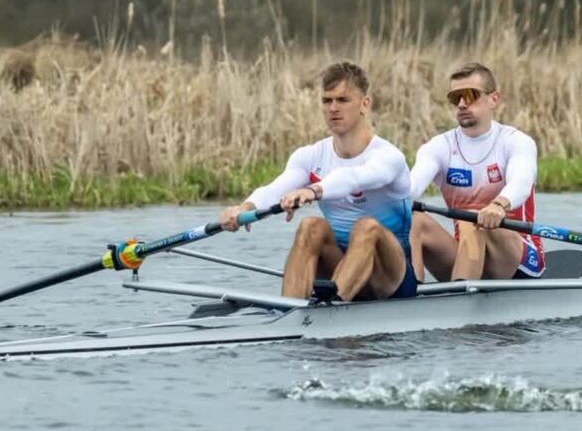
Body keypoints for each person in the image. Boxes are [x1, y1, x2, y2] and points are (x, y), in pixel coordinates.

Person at [219, 61, 416, 301]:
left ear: (365, 104)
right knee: (310, 225)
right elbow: (276, 187)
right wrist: (245, 207)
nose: (333, 108)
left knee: (367, 227)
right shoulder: (310, 155)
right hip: (340, 266)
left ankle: (331, 308)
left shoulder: (388, 156)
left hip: (391, 278)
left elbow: (353, 177)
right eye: (327, 101)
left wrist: (313, 191)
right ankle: (290, 311)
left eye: (343, 100)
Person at [409, 62, 544, 282]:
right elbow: (410, 189)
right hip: (467, 251)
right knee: (412, 218)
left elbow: (521, 183)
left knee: (472, 218)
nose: (462, 104)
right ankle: (409, 296)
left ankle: (460, 297)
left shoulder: (516, 142)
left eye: (470, 95)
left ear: (493, 99)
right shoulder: (438, 147)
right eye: (455, 98)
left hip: (517, 259)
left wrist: (499, 205)